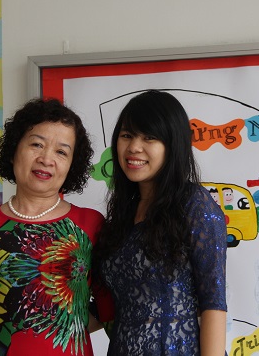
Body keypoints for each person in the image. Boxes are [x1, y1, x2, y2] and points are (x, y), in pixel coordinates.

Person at [0, 98, 104, 356]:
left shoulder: (91, 225)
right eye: (37, 144)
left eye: (61, 152)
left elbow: (112, 309)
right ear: (14, 149)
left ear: (72, 164)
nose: (46, 159)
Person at [92, 90, 227, 355]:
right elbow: (114, 307)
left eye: (149, 137)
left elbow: (213, 302)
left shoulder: (193, 203)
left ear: (172, 145)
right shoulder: (121, 215)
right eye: (127, 135)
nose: (134, 147)